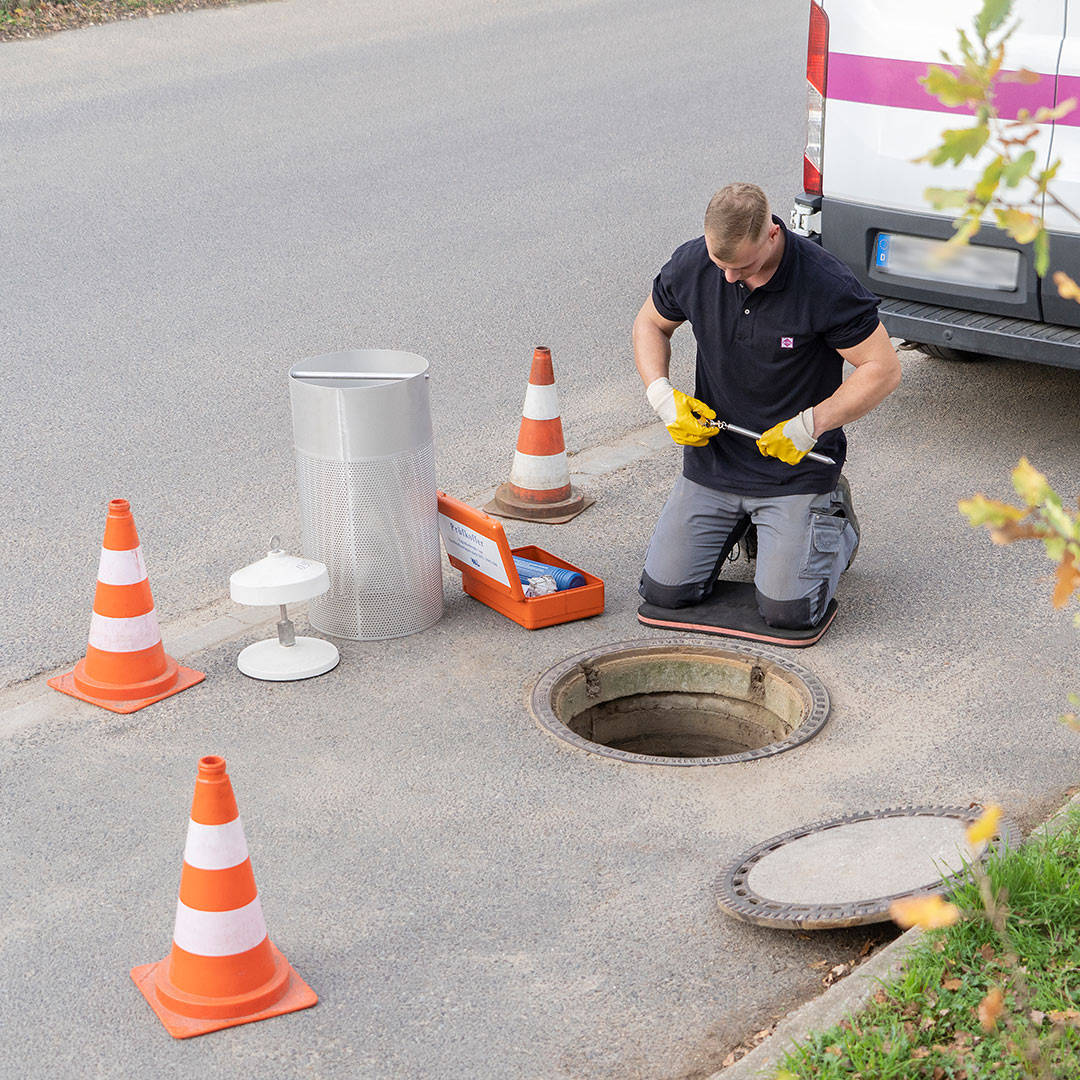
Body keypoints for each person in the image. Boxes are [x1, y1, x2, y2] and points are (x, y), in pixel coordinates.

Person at [634, 182, 902, 629]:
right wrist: (661, 395)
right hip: (715, 462)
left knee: (789, 612)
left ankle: (835, 520)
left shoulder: (825, 283)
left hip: (795, 467)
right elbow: (650, 323)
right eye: (720, 264)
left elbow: (883, 368)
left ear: (773, 233)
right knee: (665, 593)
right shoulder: (694, 263)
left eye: (743, 266)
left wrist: (812, 424)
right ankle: (744, 525)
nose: (729, 278)